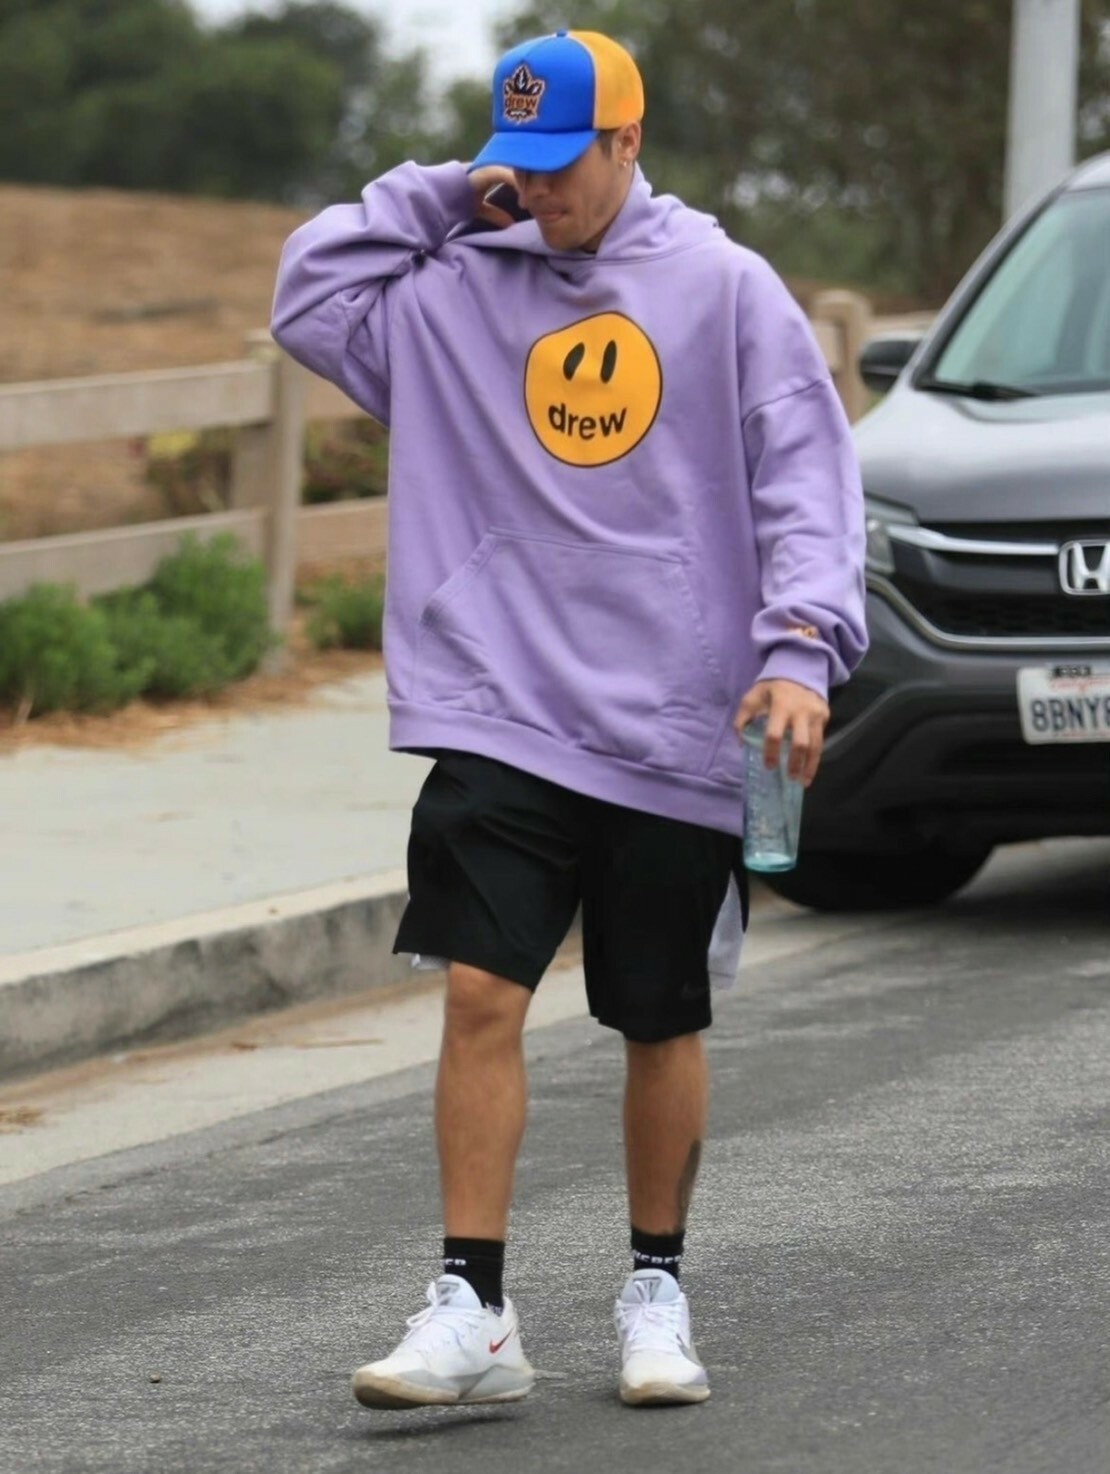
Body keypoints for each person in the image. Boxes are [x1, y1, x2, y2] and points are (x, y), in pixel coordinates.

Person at [271, 28, 867, 1410]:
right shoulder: (455, 291)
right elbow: (310, 293)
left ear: (627, 142)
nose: (538, 191)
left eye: (561, 165)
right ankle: (472, 1308)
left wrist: (799, 652)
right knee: (481, 990)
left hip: (675, 720)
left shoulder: (725, 288)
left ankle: (655, 1288)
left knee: (658, 1017)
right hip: (501, 705)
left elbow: (805, 477)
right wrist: (446, 194)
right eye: (517, 165)